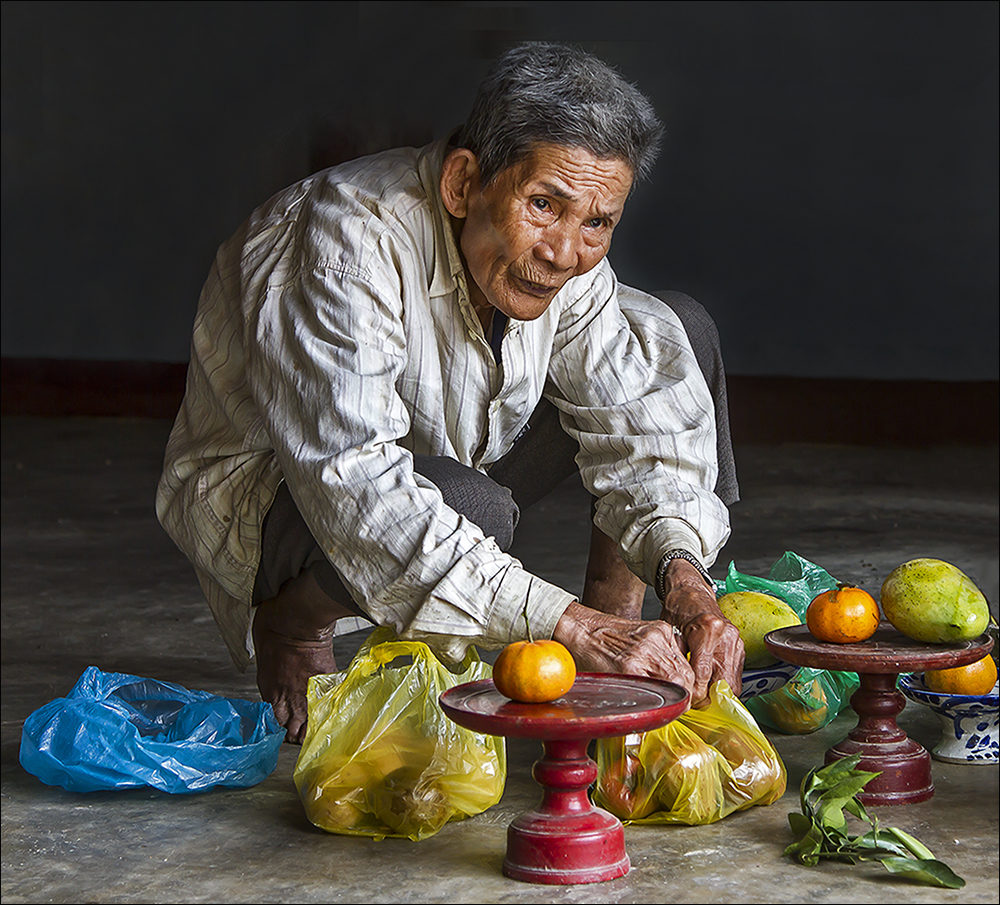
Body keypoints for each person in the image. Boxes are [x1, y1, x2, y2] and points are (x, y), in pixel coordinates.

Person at [157, 42, 744, 744]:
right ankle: (294, 616)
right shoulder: (346, 241)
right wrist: (565, 625)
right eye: (543, 204)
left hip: (456, 450)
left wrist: (687, 583)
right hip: (289, 497)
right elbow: (358, 489)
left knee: (677, 331)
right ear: (464, 183)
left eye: (596, 221)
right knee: (472, 506)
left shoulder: (564, 252)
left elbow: (639, 420)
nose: (565, 252)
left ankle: (621, 632)